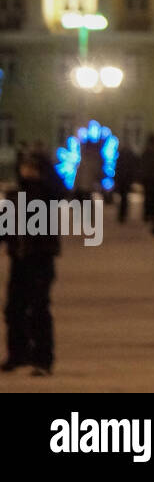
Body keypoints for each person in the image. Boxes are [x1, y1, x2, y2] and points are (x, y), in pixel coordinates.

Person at [2, 146, 62, 376]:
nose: (27, 170)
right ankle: (17, 354)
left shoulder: (47, 194)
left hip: (41, 260)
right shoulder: (15, 195)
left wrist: (46, 171)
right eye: (25, 166)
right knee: (13, 309)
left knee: (39, 309)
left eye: (32, 167)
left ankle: (43, 359)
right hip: (19, 259)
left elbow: (61, 190)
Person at [140, 133, 154, 222]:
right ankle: (151, 214)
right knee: (152, 197)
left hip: (148, 177)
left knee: (148, 197)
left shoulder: (146, 152)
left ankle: (147, 214)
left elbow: (142, 165)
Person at [115, 143, 140, 223]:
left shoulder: (121, 155)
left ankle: (121, 214)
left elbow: (118, 167)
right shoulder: (130, 156)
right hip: (126, 179)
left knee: (123, 197)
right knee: (124, 197)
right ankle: (123, 214)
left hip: (123, 179)